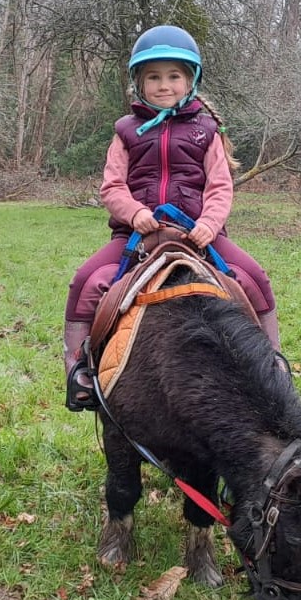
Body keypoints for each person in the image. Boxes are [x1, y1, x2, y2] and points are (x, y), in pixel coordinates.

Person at [63, 25, 281, 411]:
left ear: (190, 80)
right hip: (136, 238)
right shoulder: (125, 131)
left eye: (174, 76)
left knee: (254, 277)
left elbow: (219, 187)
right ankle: (79, 369)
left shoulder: (206, 131)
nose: (164, 85)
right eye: (154, 77)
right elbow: (111, 187)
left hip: (198, 236)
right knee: (86, 281)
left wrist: (208, 226)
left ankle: (274, 364)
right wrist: (136, 214)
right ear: (139, 82)